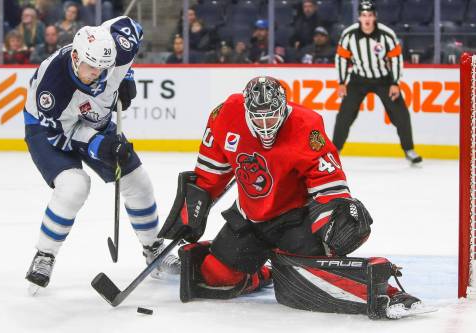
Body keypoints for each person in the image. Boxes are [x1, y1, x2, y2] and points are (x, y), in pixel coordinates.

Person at [158, 76, 430, 319]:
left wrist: (335, 214)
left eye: (272, 116)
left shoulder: (306, 126)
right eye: (258, 117)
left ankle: (390, 293)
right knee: (214, 276)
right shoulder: (224, 115)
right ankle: (265, 272)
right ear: (246, 110)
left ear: (284, 108)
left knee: (313, 280)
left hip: (295, 220)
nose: (265, 124)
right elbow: (210, 172)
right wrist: (193, 207)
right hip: (249, 217)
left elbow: (328, 182)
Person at [24, 16, 180, 292]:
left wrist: (127, 76)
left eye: (104, 68)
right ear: (75, 56)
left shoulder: (120, 43)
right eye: (91, 67)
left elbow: (131, 25)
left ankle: (154, 250)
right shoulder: (53, 88)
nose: (97, 74)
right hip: (50, 129)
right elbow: (61, 135)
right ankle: (44, 255)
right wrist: (100, 146)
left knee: (137, 180)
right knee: (74, 186)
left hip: (96, 120)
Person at [333, 1, 422, 164]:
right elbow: (341, 58)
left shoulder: (386, 34)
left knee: (401, 114)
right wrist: (341, 82)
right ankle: (334, 150)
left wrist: (395, 82)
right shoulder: (349, 34)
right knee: (345, 115)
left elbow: (396, 58)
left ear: (375, 17)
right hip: (358, 79)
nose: (367, 19)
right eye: (364, 15)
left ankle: (409, 149)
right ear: (359, 17)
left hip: (384, 79)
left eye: (370, 15)